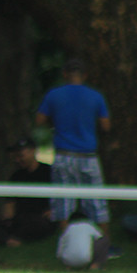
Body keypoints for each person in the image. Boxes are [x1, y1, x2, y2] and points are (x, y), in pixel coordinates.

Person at [36, 58, 113, 244]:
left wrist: (56, 123)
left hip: (64, 155)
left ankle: (66, 243)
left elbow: (39, 120)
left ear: (64, 74)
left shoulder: (54, 95)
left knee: (63, 201)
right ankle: (104, 243)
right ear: (84, 75)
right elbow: (106, 125)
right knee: (96, 200)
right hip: (88, 155)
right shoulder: (96, 96)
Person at [0, 137, 55, 248]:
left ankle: (11, 239)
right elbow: (10, 203)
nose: (18, 160)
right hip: (21, 218)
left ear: (33, 151)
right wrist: (7, 219)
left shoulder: (49, 172)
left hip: (41, 218)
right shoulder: (16, 176)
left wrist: (52, 210)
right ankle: (10, 240)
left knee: (37, 224)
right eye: (16, 157)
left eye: (21, 156)